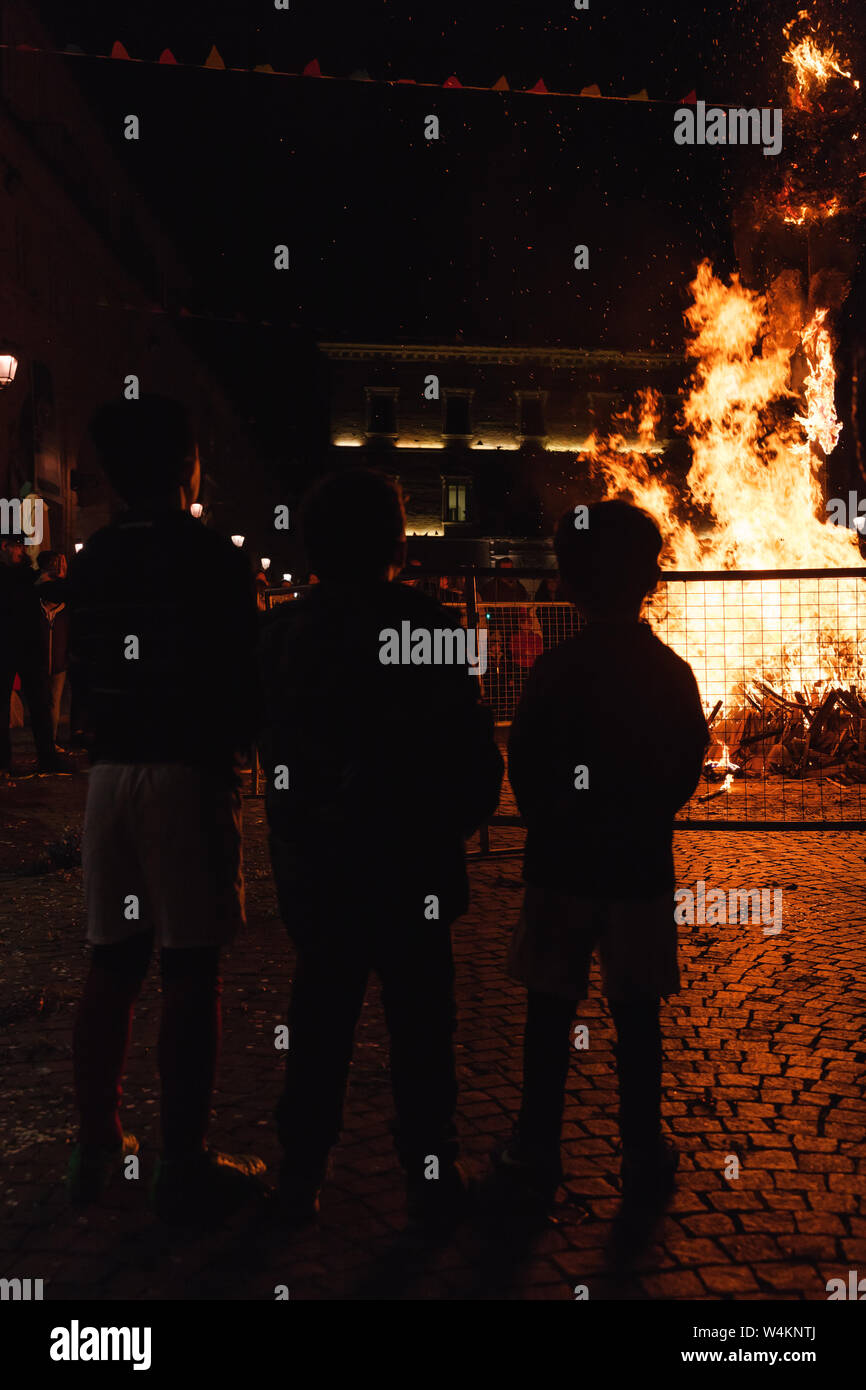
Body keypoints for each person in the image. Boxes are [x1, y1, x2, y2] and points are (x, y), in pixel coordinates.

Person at [259, 468, 503, 1228]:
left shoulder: (286, 634)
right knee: (424, 1025)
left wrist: (302, 832)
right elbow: (471, 755)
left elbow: (275, 755)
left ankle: (300, 1174)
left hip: (324, 870)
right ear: (394, 541)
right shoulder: (425, 625)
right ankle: (431, 1171)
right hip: (411, 866)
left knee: (321, 1018)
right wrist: (453, 821)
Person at [65, 394, 265, 1224]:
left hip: (109, 775)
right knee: (191, 969)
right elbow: (242, 674)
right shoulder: (212, 556)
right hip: (187, 774)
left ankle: (97, 1143)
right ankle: (181, 1160)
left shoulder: (94, 558)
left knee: (111, 965)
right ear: (184, 467)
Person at [494, 501, 708, 1217]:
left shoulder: (555, 670)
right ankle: (642, 1149)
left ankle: (535, 1145)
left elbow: (523, 761)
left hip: (561, 865)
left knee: (549, 1009)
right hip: (639, 868)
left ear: (570, 582)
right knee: (637, 1013)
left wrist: (553, 818)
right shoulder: (670, 670)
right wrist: (643, 813)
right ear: (650, 579)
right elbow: (685, 765)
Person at [0, 534, 63, 775]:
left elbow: (52, 591)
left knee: (40, 704)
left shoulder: (28, 574)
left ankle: (47, 758)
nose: (23, 551)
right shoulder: (22, 577)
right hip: (5, 647)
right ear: (5, 547)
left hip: (29, 648)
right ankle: (3, 761)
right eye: (19, 547)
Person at [36, 551, 70, 743]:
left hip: (58, 660)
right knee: (43, 702)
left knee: (54, 701)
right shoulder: (37, 601)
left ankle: (51, 740)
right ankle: (45, 743)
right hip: (40, 660)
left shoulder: (64, 606)